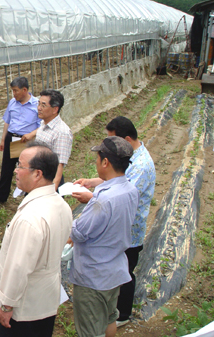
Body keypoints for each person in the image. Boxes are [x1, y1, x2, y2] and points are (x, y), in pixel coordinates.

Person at [72, 116, 156, 326]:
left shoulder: (141, 166)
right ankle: (115, 315)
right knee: (118, 277)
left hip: (125, 229)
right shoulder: (127, 161)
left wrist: (92, 199)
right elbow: (117, 180)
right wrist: (92, 183)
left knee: (126, 275)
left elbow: (111, 204)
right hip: (119, 231)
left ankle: (124, 315)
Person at [0, 143, 72, 337]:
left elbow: (18, 267)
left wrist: (7, 306)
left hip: (23, 310)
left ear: (37, 174)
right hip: (45, 301)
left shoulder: (31, 218)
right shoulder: (61, 205)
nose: (15, 170)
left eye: (20, 166)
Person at [69, 136, 139, 337]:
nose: (97, 163)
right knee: (110, 317)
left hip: (94, 276)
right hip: (114, 269)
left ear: (105, 162)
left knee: (90, 330)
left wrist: (66, 220)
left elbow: (79, 232)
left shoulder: (103, 200)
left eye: (98, 159)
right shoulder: (130, 190)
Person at [0, 77, 40, 202]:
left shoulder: (37, 105)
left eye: (16, 90)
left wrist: (31, 134)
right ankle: (1, 195)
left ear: (24, 90)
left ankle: (29, 197)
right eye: (12, 91)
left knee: (28, 168)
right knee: (6, 168)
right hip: (11, 138)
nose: (14, 94)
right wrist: (3, 140)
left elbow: (42, 125)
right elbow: (7, 122)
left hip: (26, 141)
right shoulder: (12, 103)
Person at [28, 89, 73, 189]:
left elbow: (59, 166)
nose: (39, 108)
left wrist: (51, 192)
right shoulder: (43, 123)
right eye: (38, 104)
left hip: (49, 180)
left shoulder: (62, 132)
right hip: (37, 175)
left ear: (55, 109)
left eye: (43, 105)